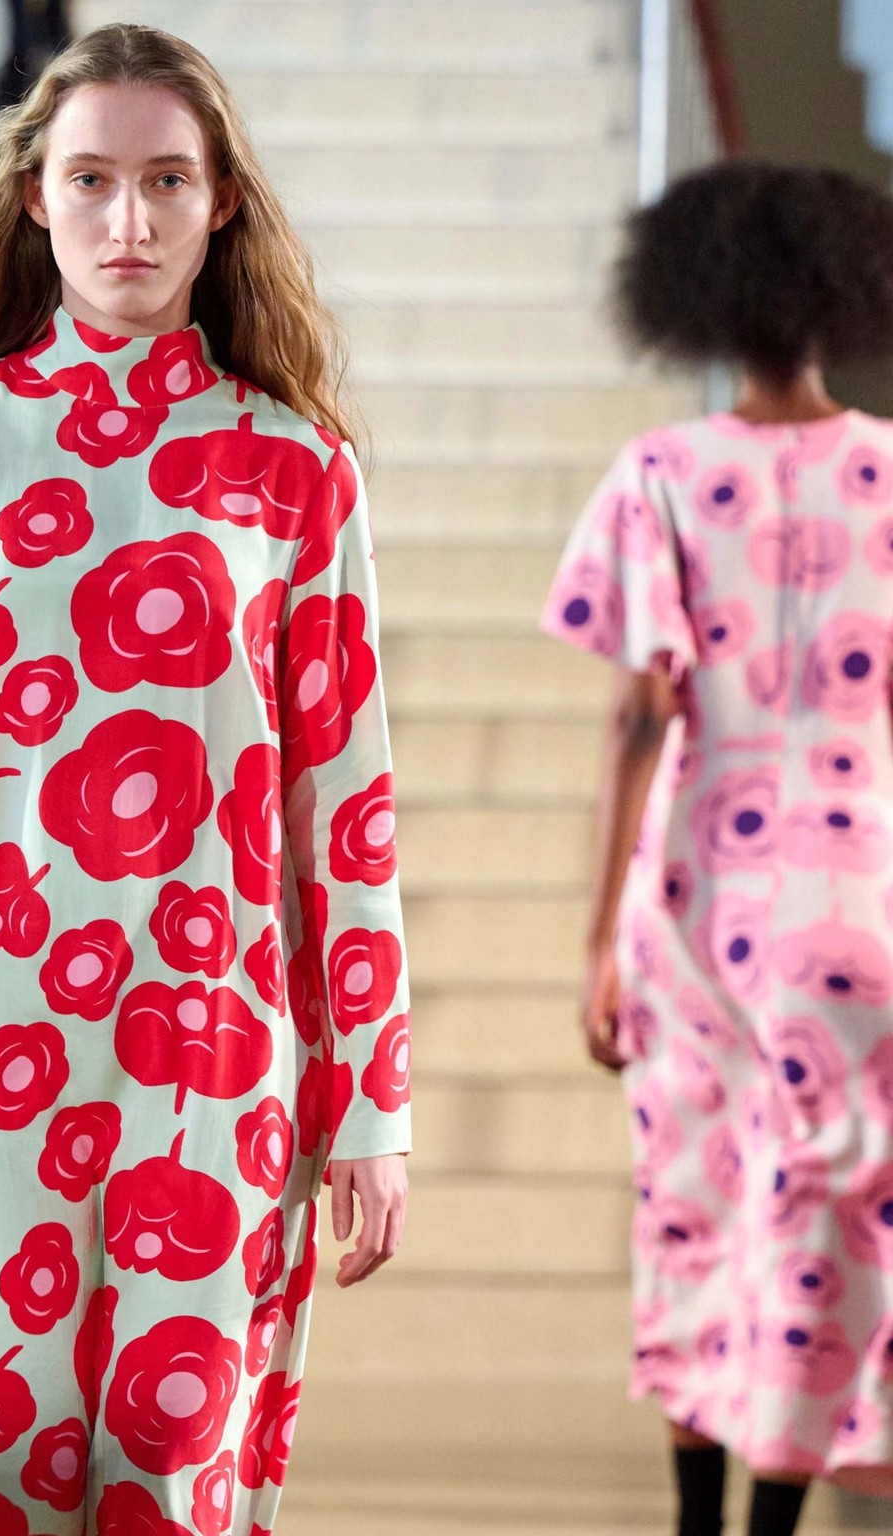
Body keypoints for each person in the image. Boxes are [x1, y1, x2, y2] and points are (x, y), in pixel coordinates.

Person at [0, 23, 412, 1533]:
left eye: (166, 180)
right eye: (91, 179)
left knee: (175, 1466)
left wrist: (371, 1101)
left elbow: (344, 807)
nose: (128, 219)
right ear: (36, 196)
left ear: (221, 202)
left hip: (217, 1035)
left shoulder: (296, 467)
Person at [541, 160, 893, 1536]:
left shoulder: (664, 477)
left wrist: (594, 942)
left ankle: (696, 1524)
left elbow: (639, 718)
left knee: (695, 1211)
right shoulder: (892, 474)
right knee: (817, 1228)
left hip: (700, 900)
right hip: (859, 900)